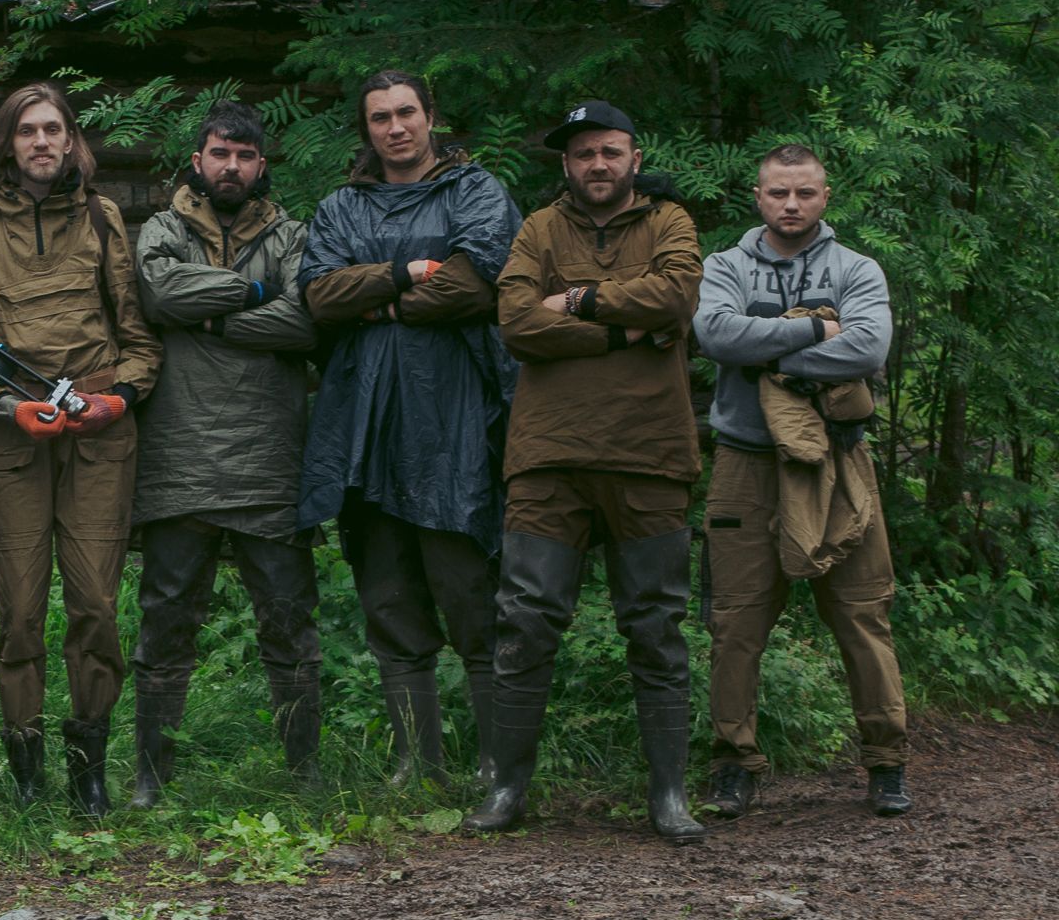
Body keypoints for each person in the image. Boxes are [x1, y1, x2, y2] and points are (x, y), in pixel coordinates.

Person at [462, 100, 706, 841]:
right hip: (549, 457)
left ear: (634, 156)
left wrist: (582, 299)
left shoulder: (671, 223)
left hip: (651, 456)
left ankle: (669, 797)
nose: (597, 164)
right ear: (565, 165)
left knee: (656, 626)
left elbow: (677, 295)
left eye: (610, 150)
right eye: (582, 154)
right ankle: (507, 790)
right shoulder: (539, 229)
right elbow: (517, 323)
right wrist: (623, 335)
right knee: (526, 622)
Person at [298, 70, 522, 787]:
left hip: (452, 422)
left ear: (431, 116)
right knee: (388, 598)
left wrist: (384, 302)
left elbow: (477, 284)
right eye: (379, 117)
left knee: (471, 597)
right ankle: (415, 761)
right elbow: (320, 294)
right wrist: (403, 272)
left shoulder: (476, 192)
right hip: (363, 425)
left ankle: (497, 760)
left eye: (406, 113)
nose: (395, 127)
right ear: (365, 129)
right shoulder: (341, 207)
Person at [0, 83, 162, 815]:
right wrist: (9, 404)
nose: (42, 142)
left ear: (71, 141)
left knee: (96, 603)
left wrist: (116, 399)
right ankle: (28, 772)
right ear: (7, 143)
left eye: (54, 129)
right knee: (19, 611)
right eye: (27, 131)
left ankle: (88, 768)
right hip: (15, 439)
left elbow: (138, 340)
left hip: (99, 437)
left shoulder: (103, 218)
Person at [692, 144, 910, 819]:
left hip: (840, 461)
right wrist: (817, 328)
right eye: (779, 193)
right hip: (745, 463)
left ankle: (887, 762)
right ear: (756, 196)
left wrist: (775, 357)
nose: (792, 204)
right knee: (735, 622)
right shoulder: (724, 266)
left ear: (826, 195)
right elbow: (716, 334)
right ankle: (734, 762)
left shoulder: (857, 269)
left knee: (863, 612)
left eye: (806, 193)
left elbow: (869, 347)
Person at [127, 100, 320, 803]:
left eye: (243, 155)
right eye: (219, 153)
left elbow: (307, 317)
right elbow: (158, 291)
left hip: (270, 458)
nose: (230, 166)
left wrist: (207, 320)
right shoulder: (161, 229)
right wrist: (255, 295)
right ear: (198, 160)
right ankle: (152, 774)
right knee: (167, 620)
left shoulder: (295, 232)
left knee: (290, 621)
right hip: (180, 458)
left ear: (260, 164)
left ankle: (305, 772)